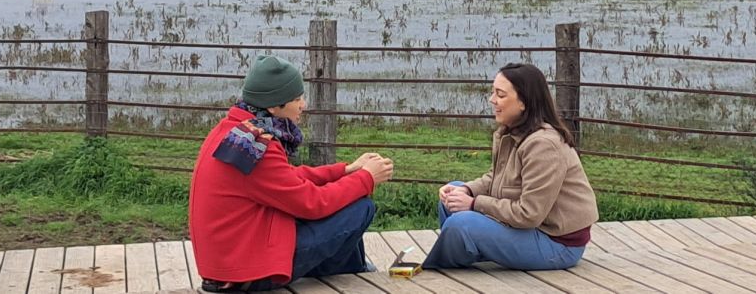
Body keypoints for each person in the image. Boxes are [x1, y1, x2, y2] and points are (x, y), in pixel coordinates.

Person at [190, 55, 394, 292]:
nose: (303, 105)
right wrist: (367, 178)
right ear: (273, 106)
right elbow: (313, 203)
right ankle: (346, 275)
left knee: (349, 199)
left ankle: (351, 271)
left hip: (231, 262)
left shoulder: (234, 132)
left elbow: (287, 177)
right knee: (361, 208)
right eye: (296, 99)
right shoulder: (259, 146)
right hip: (247, 273)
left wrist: (345, 171)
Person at [423, 62, 598, 270]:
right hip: (531, 231)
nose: (492, 100)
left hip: (556, 243)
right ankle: (468, 252)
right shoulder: (511, 132)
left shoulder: (544, 145)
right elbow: (495, 177)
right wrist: (467, 190)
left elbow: (529, 214)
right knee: (451, 197)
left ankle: (439, 269)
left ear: (523, 102)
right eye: (493, 93)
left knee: (460, 223)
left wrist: (474, 203)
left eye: (500, 94)